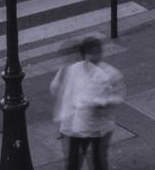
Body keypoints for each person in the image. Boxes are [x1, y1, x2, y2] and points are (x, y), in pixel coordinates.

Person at [49, 37, 124, 170]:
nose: (96, 56)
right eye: (92, 52)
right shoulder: (68, 70)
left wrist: (102, 103)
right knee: (73, 163)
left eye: (98, 52)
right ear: (84, 54)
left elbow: (117, 96)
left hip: (99, 128)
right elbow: (55, 89)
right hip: (71, 127)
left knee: (98, 162)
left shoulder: (111, 73)